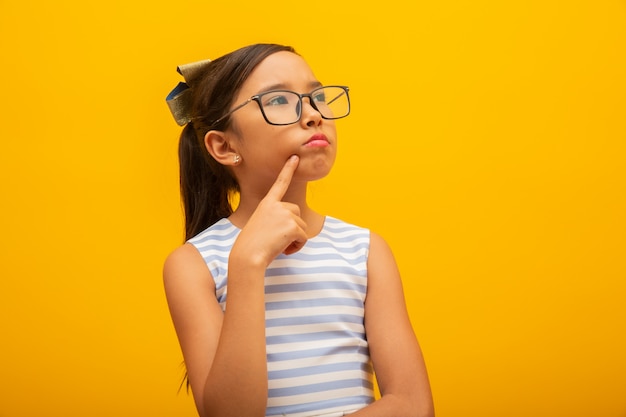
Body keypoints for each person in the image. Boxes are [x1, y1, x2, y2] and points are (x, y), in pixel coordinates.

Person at [163, 43, 434, 417]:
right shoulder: (192, 265)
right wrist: (247, 265)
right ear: (224, 146)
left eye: (317, 97)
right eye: (278, 100)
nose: (313, 115)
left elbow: (413, 405)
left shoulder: (365, 250)